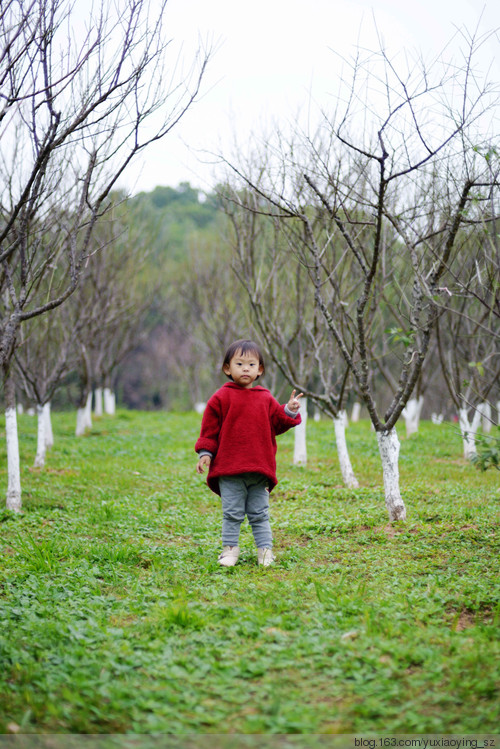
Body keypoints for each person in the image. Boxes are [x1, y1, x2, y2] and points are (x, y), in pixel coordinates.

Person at [195, 339, 303, 567]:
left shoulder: (264, 398)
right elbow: (209, 429)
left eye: (251, 364)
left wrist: (289, 410)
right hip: (229, 469)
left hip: (259, 469)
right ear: (227, 368)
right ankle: (230, 550)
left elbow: (278, 422)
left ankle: (265, 551)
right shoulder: (221, 398)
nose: (246, 368)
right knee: (232, 513)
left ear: (259, 370)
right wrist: (205, 452)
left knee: (259, 513)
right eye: (240, 363)